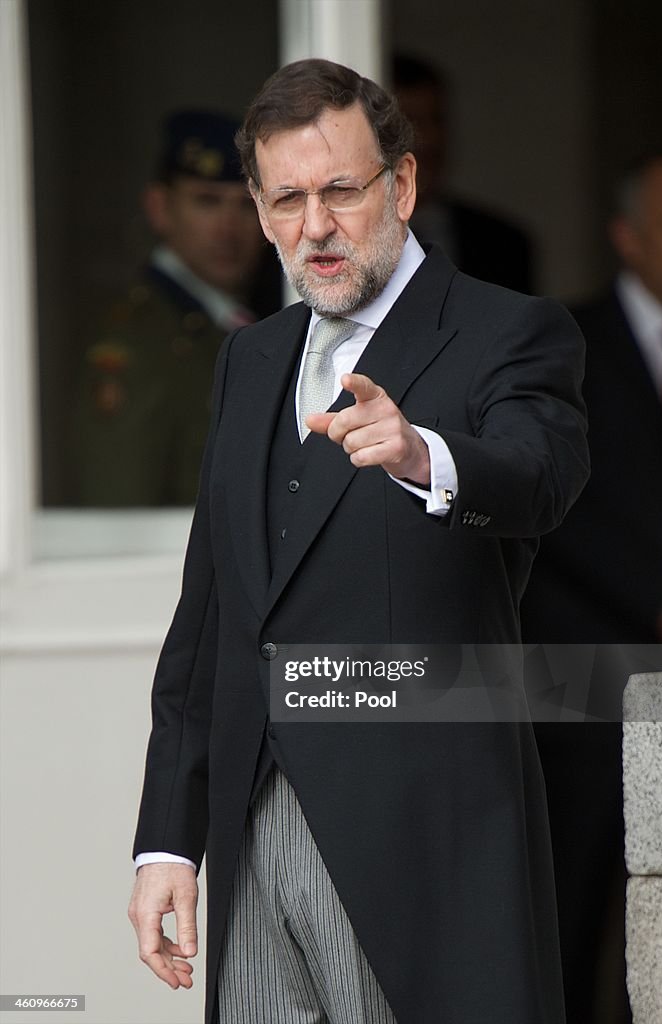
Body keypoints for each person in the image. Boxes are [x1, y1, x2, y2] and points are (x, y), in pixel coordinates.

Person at [128, 59, 589, 1024]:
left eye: (341, 189)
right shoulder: (248, 360)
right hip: (252, 836)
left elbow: (542, 476)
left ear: (404, 185)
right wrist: (167, 843)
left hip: (426, 845)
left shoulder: (508, 330)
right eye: (288, 198)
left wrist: (426, 455)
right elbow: (209, 619)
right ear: (260, 210)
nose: (317, 226)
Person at [521, 152, 662, 1024]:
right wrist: (656, 606)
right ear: (627, 238)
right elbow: (548, 502)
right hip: (588, 679)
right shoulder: (562, 343)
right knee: (574, 916)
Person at [73, 110, 281, 506]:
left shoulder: (242, 322)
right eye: (206, 201)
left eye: (245, 204)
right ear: (159, 207)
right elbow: (121, 514)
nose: (228, 227)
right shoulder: (141, 341)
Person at [392, 53, 535, 293]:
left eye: (436, 120)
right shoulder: (352, 237)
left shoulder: (504, 244)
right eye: (411, 123)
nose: (428, 140)